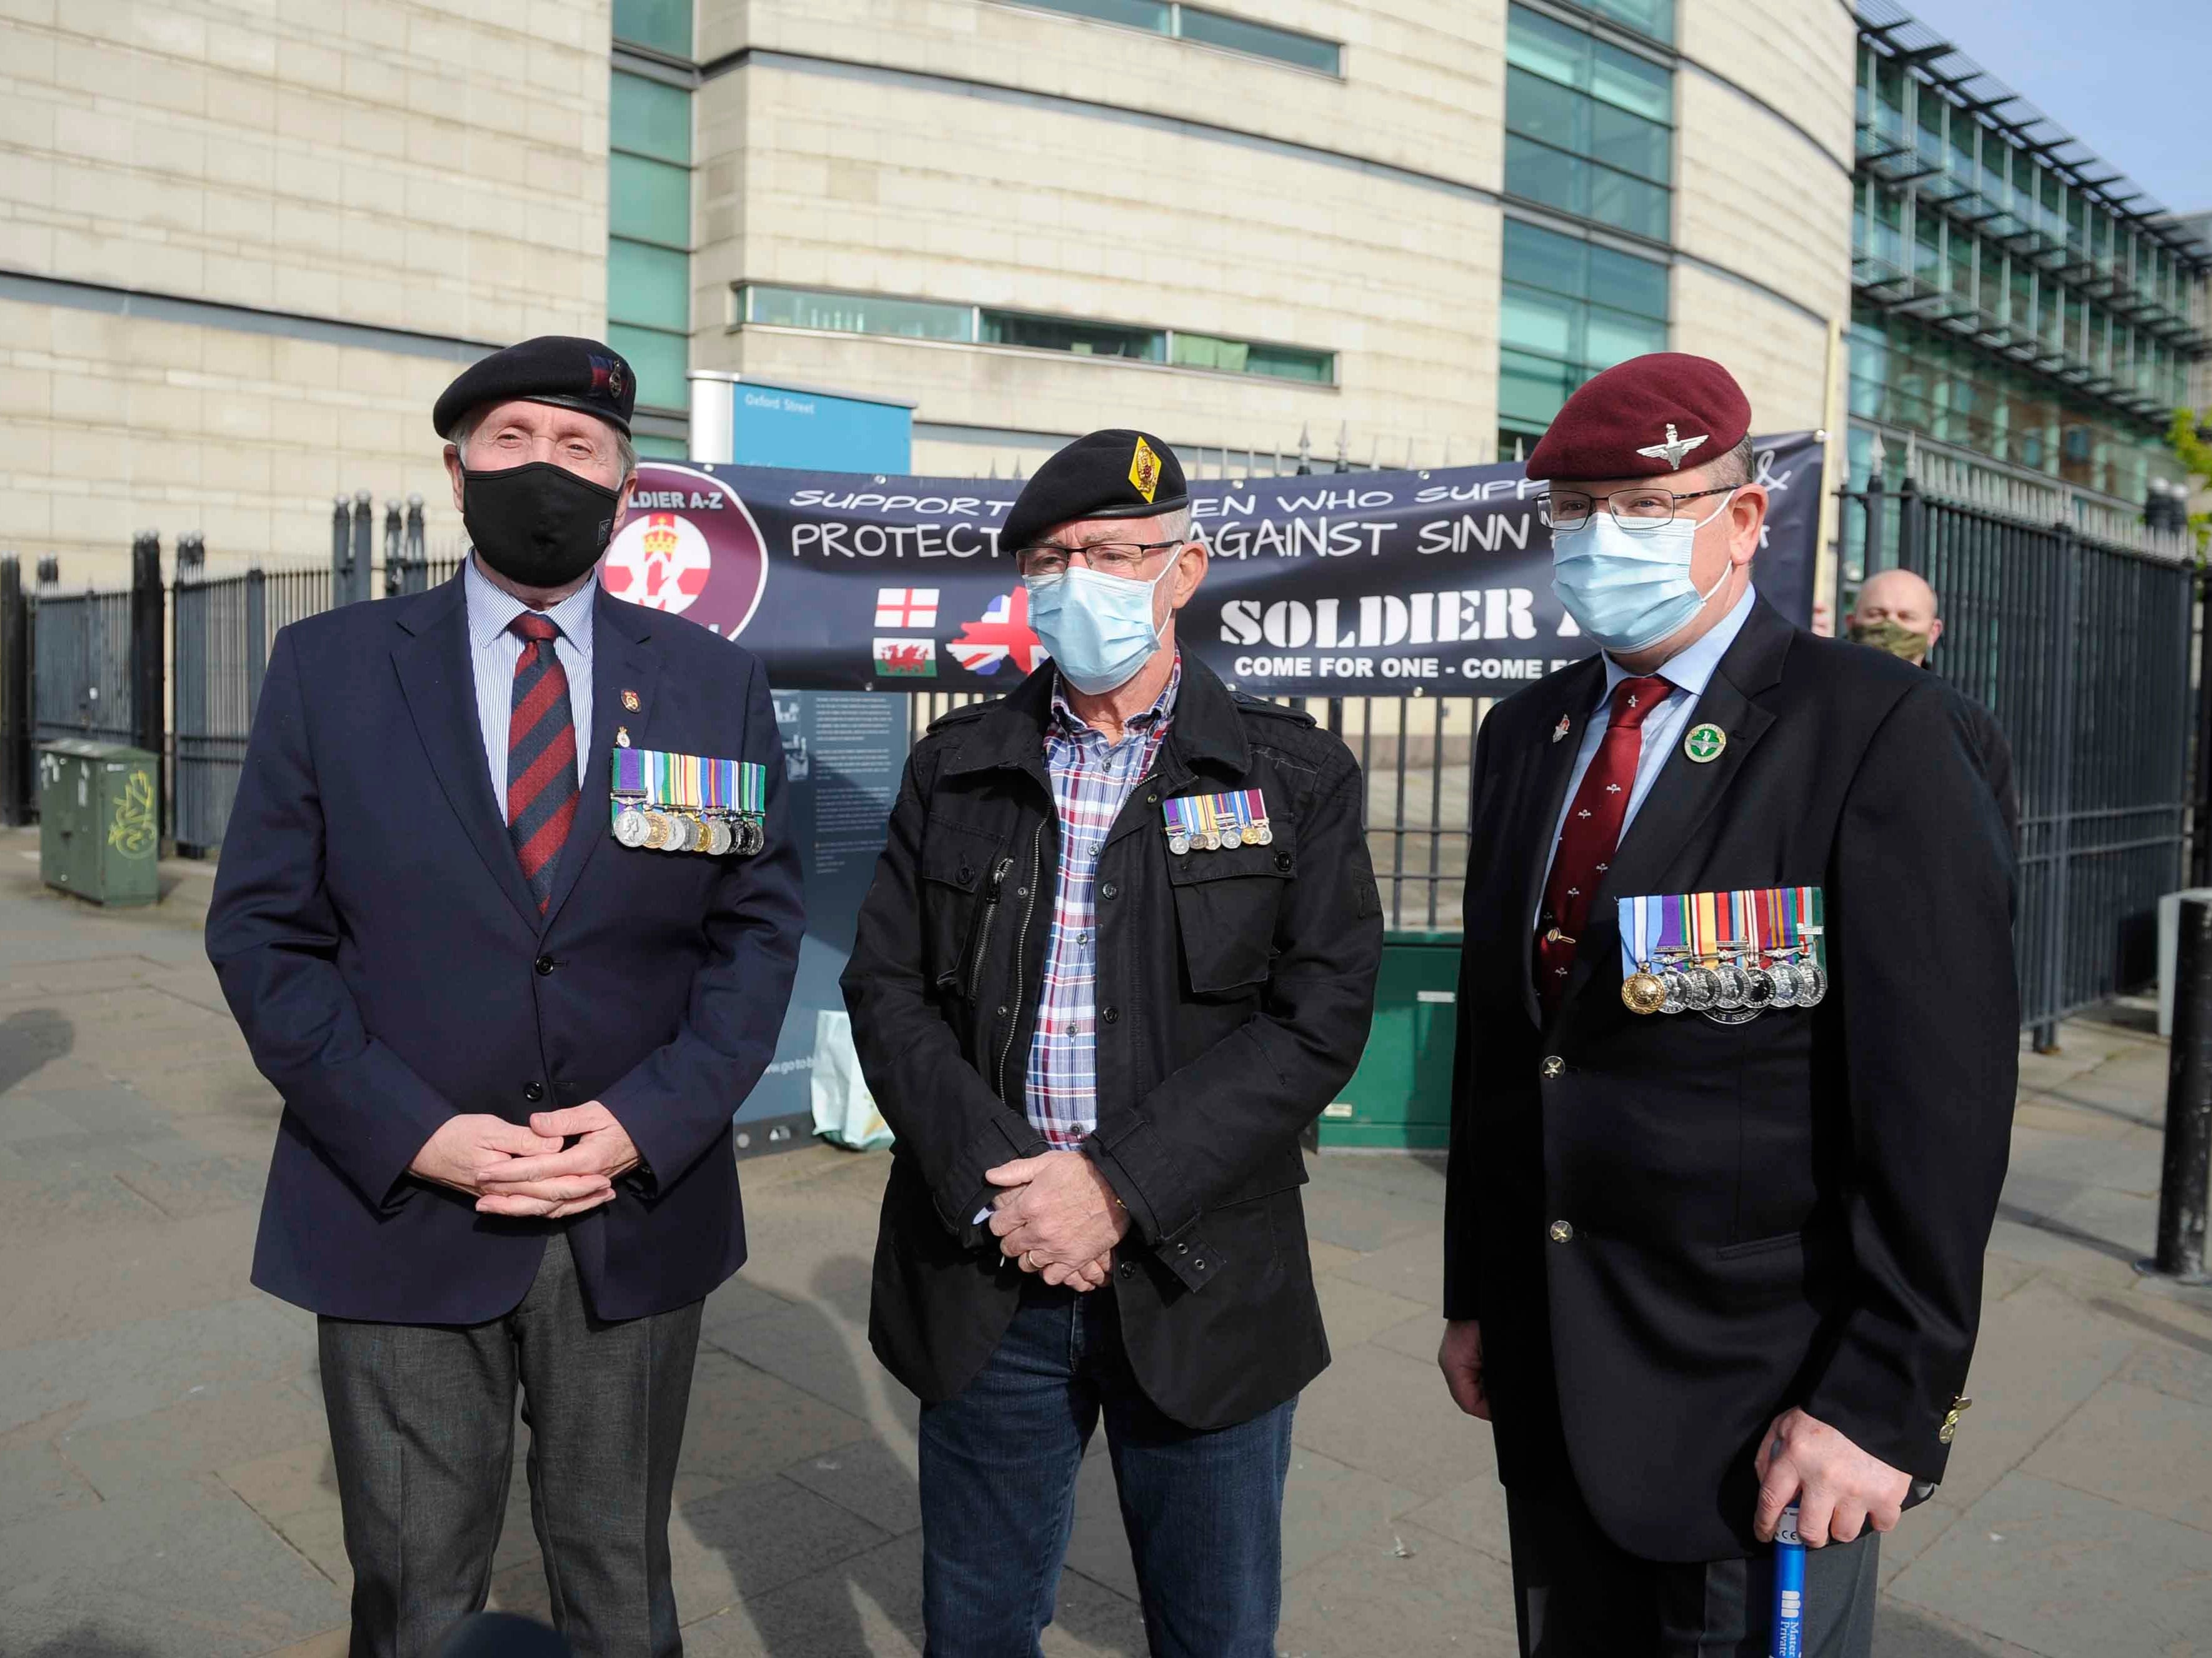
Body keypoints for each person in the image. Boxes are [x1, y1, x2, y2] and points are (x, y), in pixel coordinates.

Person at [206, 336, 803, 1657]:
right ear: (456, 468)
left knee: (616, 1583)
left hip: (630, 1211)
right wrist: (412, 1130)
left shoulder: (712, 683)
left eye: (579, 447)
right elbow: (263, 935)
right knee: (415, 1594)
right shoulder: (331, 668)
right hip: (400, 1206)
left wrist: (647, 1120)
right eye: (513, 439)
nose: (546, 468)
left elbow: (755, 937)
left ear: (625, 487)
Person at [1437, 354, 2018, 1657]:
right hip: (1552, 1372)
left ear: (1743, 519)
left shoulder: (1873, 732)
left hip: (1766, 1414)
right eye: (1575, 515)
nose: (1602, 544)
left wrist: (1882, 1400)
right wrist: (1476, 1291)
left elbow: (1939, 1107)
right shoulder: (1526, 734)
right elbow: (1507, 1050)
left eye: (1645, 511)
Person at [842, 429, 1383, 1656]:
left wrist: (1112, 1189)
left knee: (1214, 1632)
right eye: (1051, 558)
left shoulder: (1291, 776)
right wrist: (1017, 1193)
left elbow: (1315, 1021)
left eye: (1112, 552)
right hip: (990, 1269)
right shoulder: (957, 767)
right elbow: (886, 991)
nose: (1078, 578)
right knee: (976, 1627)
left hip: (1201, 1278)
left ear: (1182, 571)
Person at [1849, 567, 2019, 847]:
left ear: (1933, 632)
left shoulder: (1972, 725)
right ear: (1851, 621)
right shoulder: (1817, 707)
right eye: (1876, 614)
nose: (1891, 626)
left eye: (1906, 617)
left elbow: (1999, 836)